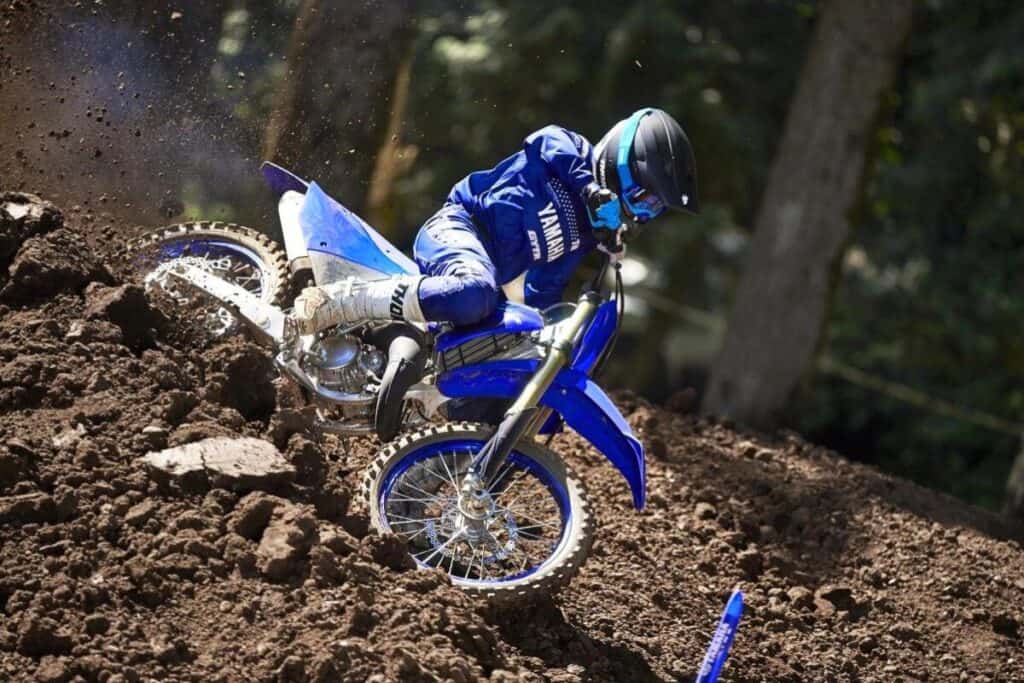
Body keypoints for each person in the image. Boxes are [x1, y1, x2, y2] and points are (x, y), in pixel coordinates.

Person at [292, 107, 699, 333]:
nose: (642, 212)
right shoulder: (573, 150)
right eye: (644, 197)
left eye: (653, 210)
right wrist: (590, 189)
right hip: (459, 229)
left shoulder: (589, 233)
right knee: (475, 293)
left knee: (503, 342)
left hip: (484, 273)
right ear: (625, 162)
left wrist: (547, 334)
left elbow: (546, 284)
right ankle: (339, 301)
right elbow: (543, 139)